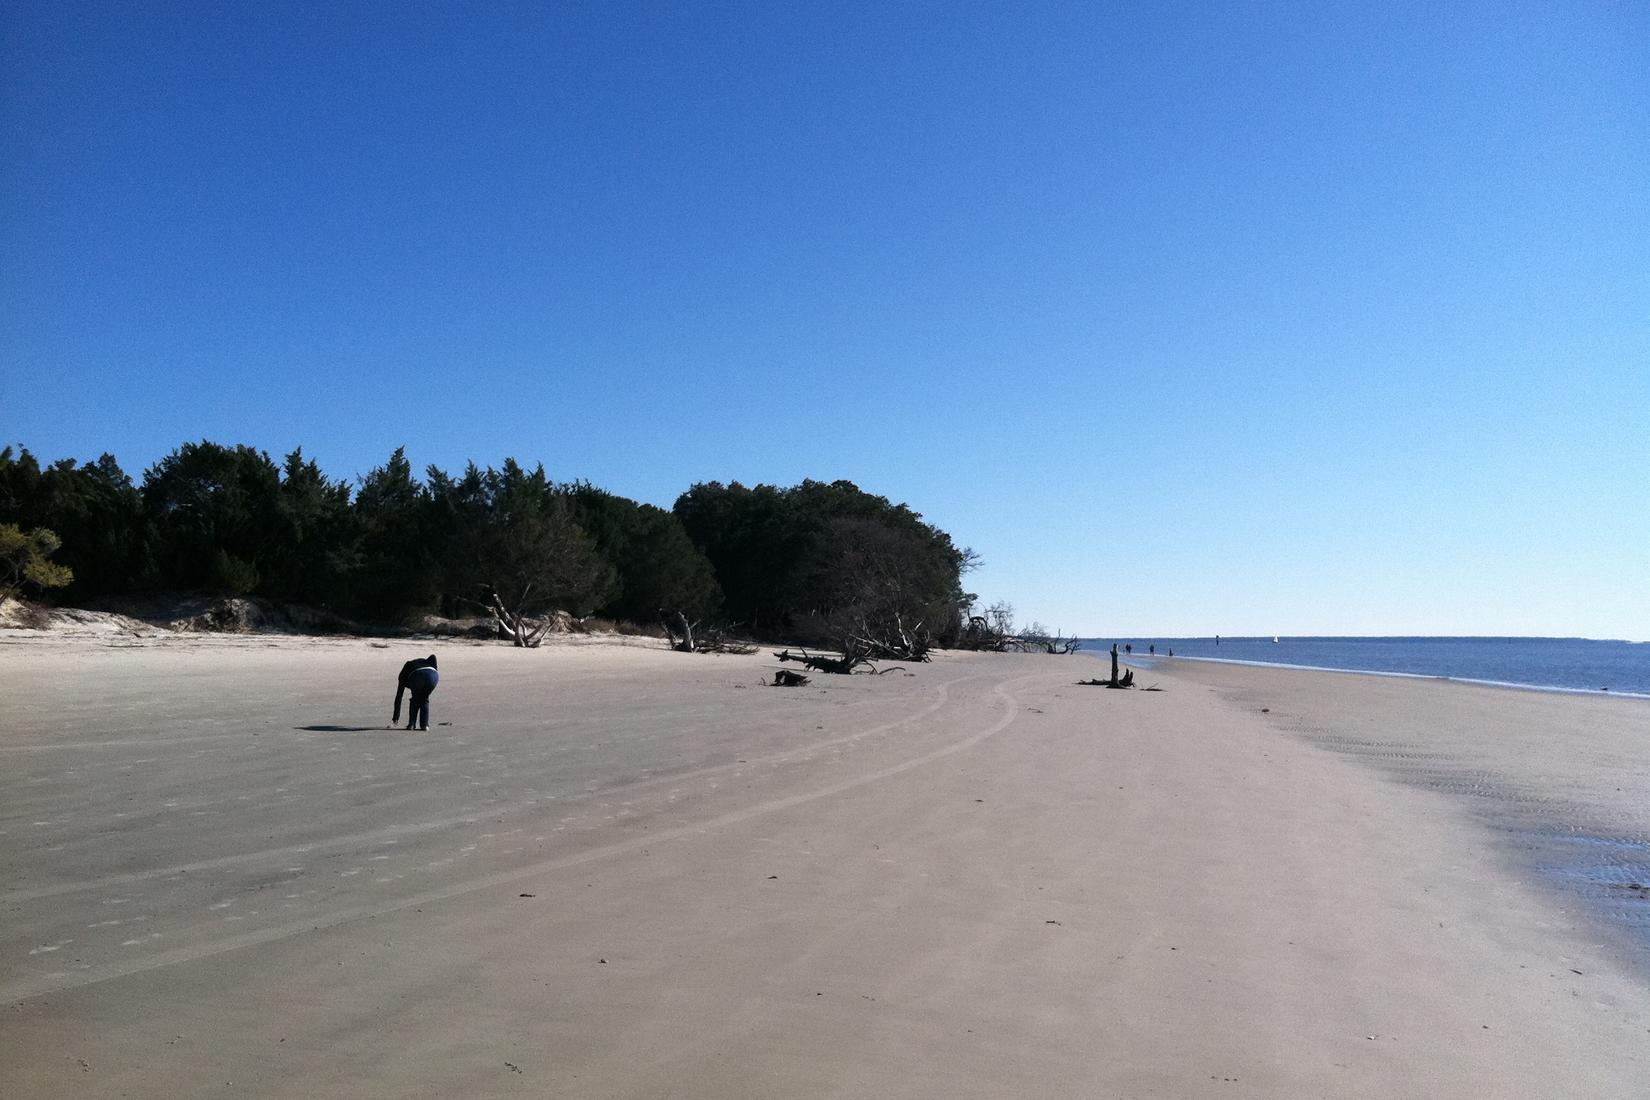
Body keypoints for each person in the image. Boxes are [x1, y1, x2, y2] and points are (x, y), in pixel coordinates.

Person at [393, 654, 439, 731]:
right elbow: (433, 656)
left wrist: (395, 718)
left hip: (417, 675)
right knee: (424, 699)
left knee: (415, 699)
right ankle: (424, 725)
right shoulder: (415, 663)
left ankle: (411, 724)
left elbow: (399, 697)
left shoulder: (402, 676)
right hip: (433, 675)